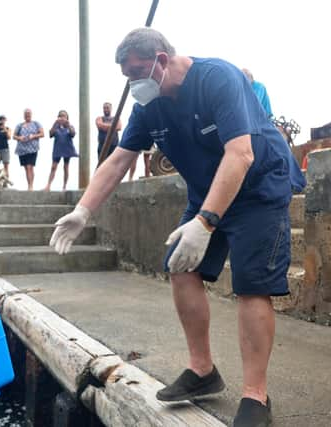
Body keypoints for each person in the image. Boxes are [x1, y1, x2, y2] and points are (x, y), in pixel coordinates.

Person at [49, 28, 305, 427]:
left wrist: (205, 223)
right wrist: (83, 211)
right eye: (126, 77)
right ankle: (202, 371)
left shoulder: (217, 78)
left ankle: (256, 396)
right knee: (179, 267)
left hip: (259, 186)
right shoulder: (149, 105)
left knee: (253, 285)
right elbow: (118, 160)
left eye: (137, 72)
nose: (133, 83)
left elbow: (240, 153)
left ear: (162, 60)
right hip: (208, 188)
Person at [45, 110, 77, 191]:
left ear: (67, 118)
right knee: (53, 167)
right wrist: (55, 123)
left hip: (67, 149)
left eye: (64, 116)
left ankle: (64, 186)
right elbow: (50, 134)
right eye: (60, 116)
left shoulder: (70, 126)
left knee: (66, 167)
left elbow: (73, 134)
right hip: (57, 149)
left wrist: (68, 125)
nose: (62, 118)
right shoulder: (56, 127)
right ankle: (48, 185)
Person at [13, 108, 44, 191]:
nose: (27, 115)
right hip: (22, 150)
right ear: (24, 116)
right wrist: (19, 137)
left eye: (29, 114)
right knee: (26, 168)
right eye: (26, 114)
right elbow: (14, 136)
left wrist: (33, 136)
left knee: (30, 166)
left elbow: (42, 134)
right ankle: (29, 184)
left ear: (31, 115)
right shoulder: (19, 125)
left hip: (33, 149)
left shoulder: (36, 123)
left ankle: (31, 186)